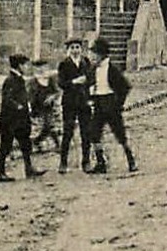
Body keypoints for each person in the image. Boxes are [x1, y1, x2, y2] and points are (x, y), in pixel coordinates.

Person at [87, 38, 136, 174]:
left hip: (111, 105)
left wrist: (118, 104)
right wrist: (89, 98)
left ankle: (130, 160)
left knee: (120, 134)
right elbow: (89, 85)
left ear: (102, 54)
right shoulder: (92, 69)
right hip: (98, 105)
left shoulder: (112, 69)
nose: (92, 57)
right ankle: (100, 162)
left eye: (95, 54)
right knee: (94, 133)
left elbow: (125, 87)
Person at [0, 52, 45, 181]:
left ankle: (29, 169)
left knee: (25, 144)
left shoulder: (19, 78)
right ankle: (1, 173)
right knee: (5, 146)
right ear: (19, 66)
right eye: (25, 65)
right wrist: (18, 106)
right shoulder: (10, 80)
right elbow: (7, 98)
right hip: (10, 120)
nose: (27, 67)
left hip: (20, 119)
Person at [57, 37, 95, 173]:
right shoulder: (64, 64)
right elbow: (61, 83)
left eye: (77, 47)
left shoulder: (86, 62)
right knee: (67, 132)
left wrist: (90, 97)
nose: (75, 50)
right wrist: (74, 82)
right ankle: (63, 163)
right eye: (72, 48)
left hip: (84, 102)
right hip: (69, 102)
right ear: (68, 50)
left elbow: (91, 80)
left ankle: (86, 162)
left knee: (86, 132)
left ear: (81, 49)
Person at [29, 58, 61, 154]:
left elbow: (57, 91)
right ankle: (36, 141)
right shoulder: (33, 81)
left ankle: (56, 145)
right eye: (38, 68)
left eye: (43, 67)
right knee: (46, 126)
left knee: (49, 125)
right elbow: (30, 95)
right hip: (37, 107)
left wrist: (52, 97)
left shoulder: (50, 79)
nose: (41, 70)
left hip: (48, 107)